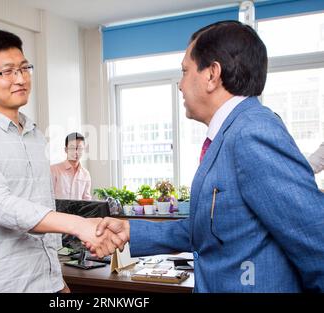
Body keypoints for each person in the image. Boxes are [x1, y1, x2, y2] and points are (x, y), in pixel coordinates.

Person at [91, 21, 324, 292]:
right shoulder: (229, 134)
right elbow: (209, 228)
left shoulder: (253, 131)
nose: (179, 85)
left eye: (184, 71)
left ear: (212, 74)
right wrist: (131, 231)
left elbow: (316, 239)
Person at [0, 30, 122, 293]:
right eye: (7, 72)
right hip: (2, 285)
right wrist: (79, 225)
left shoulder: (35, 135)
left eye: (24, 68)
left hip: (48, 282)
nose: (20, 79)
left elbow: (41, 206)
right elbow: (2, 206)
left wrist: (58, 281)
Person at [50, 132, 92, 200]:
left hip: (78, 211)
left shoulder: (85, 174)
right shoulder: (53, 170)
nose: (76, 152)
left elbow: (87, 200)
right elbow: (48, 197)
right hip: (57, 211)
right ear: (66, 150)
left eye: (80, 148)